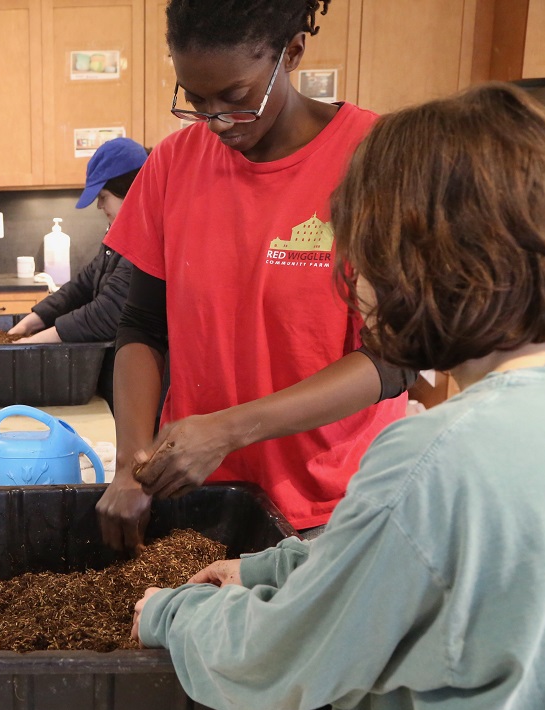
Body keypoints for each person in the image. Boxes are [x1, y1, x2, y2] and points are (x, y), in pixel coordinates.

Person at [132, 82, 545, 710]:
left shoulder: (432, 462)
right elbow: (448, 571)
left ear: (418, 262)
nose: (351, 284)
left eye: (360, 256)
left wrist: (171, 614)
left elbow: (284, 653)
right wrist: (271, 570)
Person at [98, 0, 414, 549]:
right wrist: (132, 460)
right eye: (195, 100)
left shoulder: (377, 161)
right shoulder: (171, 166)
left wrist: (229, 429)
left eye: (237, 98)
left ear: (292, 53)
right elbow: (142, 328)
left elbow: (393, 358)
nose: (216, 120)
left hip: (335, 511)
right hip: (200, 495)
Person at [8, 137, 149, 407]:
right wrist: (31, 322)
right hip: (119, 376)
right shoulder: (122, 234)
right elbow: (83, 286)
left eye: (103, 197)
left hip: (145, 386)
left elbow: (109, 312)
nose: (99, 206)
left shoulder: (148, 236)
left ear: (128, 189)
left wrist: (36, 341)